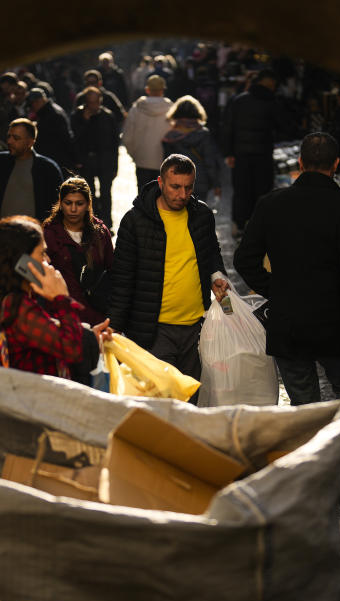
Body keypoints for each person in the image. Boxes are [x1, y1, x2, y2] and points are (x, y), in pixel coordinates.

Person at [233, 132, 340, 507]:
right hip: (332, 319)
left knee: (304, 403)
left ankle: (314, 472)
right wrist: (339, 302)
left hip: (288, 320)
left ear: (301, 164)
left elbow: (245, 260)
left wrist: (277, 290)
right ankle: (335, 466)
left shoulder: (272, 204)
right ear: (335, 165)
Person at [109, 154, 228, 394]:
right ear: (160, 182)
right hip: (154, 330)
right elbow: (122, 278)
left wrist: (217, 274)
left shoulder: (201, 215)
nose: (182, 195)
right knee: (162, 399)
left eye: (188, 187)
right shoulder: (135, 222)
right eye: (175, 187)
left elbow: (211, 252)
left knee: (193, 396)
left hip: (196, 328)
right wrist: (115, 327)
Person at [0, 215, 111, 378]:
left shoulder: (10, 299)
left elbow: (50, 335)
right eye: (42, 253)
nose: (48, 259)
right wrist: (61, 297)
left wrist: (89, 335)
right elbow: (72, 349)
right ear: (22, 262)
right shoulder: (18, 307)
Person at [0, 117, 63, 232]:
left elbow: (58, 207)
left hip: (33, 238)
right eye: (9, 136)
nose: (9, 141)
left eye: (16, 138)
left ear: (30, 142)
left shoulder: (47, 169)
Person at [221, 68, 289, 237]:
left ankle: (239, 224)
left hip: (240, 154)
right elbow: (284, 127)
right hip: (263, 154)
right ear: (270, 83)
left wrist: (228, 153)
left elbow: (228, 128)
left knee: (241, 190)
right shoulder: (272, 102)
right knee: (262, 190)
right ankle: (260, 225)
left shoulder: (238, 100)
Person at [42, 177, 114, 325]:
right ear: (61, 203)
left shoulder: (100, 233)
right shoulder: (48, 234)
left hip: (97, 316)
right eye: (68, 203)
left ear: (88, 204)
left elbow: (112, 270)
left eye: (79, 203)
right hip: (62, 316)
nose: (73, 209)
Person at [70, 87, 120, 227]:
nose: (94, 105)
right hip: (86, 162)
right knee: (88, 193)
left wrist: (115, 166)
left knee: (105, 194)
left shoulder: (108, 116)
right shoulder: (77, 116)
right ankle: (91, 221)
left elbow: (114, 142)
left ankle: (107, 223)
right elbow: (74, 139)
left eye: (96, 102)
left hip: (105, 162)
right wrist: (85, 121)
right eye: (91, 102)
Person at [162, 95, 222, 203]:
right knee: (197, 216)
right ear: (197, 113)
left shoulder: (170, 136)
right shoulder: (204, 134)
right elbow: (210, 162)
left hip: (177, 184)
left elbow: (166, 165)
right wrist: (216, 184)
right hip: (200, 181)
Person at [122, 74, 173, 188]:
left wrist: (135, 155)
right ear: (163, 90)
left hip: (142, 160)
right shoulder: (171, 109)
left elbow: (127, 137)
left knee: (144, 198)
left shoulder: (136, 109)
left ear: (147, 89)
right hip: (164, 162)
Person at [26, 88, 74, 173]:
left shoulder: (53, 114)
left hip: (56, 159)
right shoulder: (46, 112)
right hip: (52, 158)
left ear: (41, 100)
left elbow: (65, 137)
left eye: (34, 102)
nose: (33, 106)